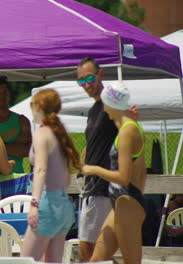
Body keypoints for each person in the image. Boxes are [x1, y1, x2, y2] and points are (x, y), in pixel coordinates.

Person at [76, 57, 139, 261]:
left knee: (91, 252)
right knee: (95, 252)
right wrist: (81, 159)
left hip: (103, 188)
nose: (86, 85)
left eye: (89, 78)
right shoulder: (95, 109)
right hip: (93, 188)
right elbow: (96, 141)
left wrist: (129, 119)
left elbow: (127, 129)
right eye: (81, 81)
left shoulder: (109, 105)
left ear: (101, 75)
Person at [21, 89, 81, 263]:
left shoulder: (41, 133)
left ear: (38, 106)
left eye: (32, 105)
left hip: (48, 204)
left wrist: (34, 204)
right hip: (64, 205)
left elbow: (40, 169)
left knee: (26, 261)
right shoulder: (60, 134)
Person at [0, 76, 31, 174]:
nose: (2, 96)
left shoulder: (22, 121)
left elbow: (28, 151)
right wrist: (15, 145)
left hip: (16, 181)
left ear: (9, 94)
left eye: (5, 92)